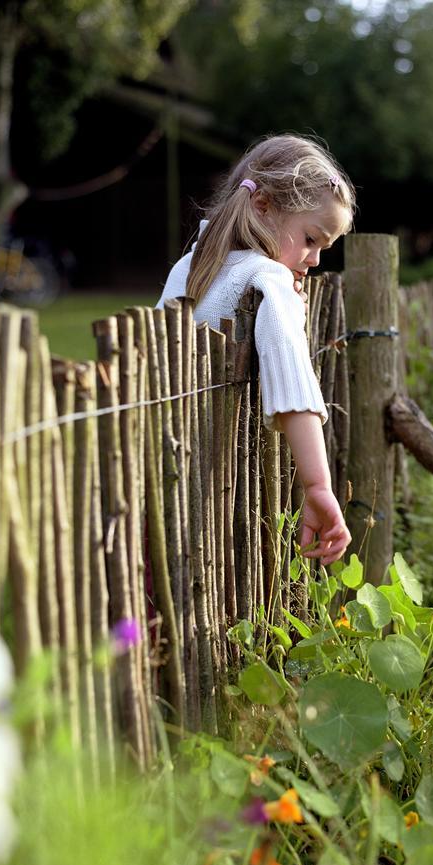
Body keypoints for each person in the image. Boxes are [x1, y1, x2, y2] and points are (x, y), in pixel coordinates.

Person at [157, 134, 355, 566]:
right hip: (206, 487)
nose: (315, 259)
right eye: (311, 239)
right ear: (262, 206)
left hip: (153, 467)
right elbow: (292, 379)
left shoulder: (190, 265)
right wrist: (318, 488)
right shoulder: (269, 277)